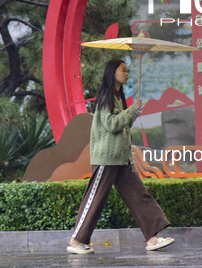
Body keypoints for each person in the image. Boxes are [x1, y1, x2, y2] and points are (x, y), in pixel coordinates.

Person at [67, 58, 174, 254]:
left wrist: (133, 113)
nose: (126, 73)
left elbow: (122, 124)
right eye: (122, 70)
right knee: (95, 198)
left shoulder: (118, 97)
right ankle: (76, 241)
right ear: (112, 73)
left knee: (139, 195)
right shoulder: (105, 97)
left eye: (126, 70)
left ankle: (152, 239)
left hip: (122, 158)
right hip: (107, 158)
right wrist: (131, 111)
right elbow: (112, 124)